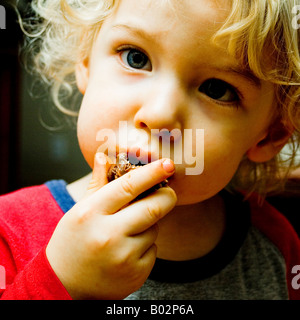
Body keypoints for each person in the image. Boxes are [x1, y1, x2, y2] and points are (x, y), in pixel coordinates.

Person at [1, 0, 300, 300]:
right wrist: (63, 282)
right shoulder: (9, 230)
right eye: (136, 58)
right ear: (86, 60)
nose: (159, 115)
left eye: (216, 89)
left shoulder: (277, 245)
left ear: (268, 136)